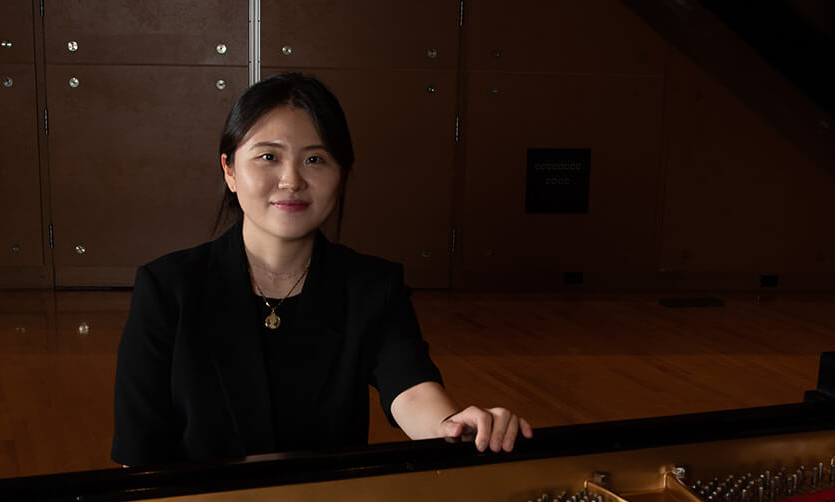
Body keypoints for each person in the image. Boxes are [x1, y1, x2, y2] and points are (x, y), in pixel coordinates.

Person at [112, 73, 532, 466]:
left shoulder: (372, 287)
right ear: (230, 170)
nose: (291, 180)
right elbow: (140, 452)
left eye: (315, 159)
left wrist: (453, 427)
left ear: (342, 175)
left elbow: (411, 389)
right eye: (268, 157)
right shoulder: (168, 289)